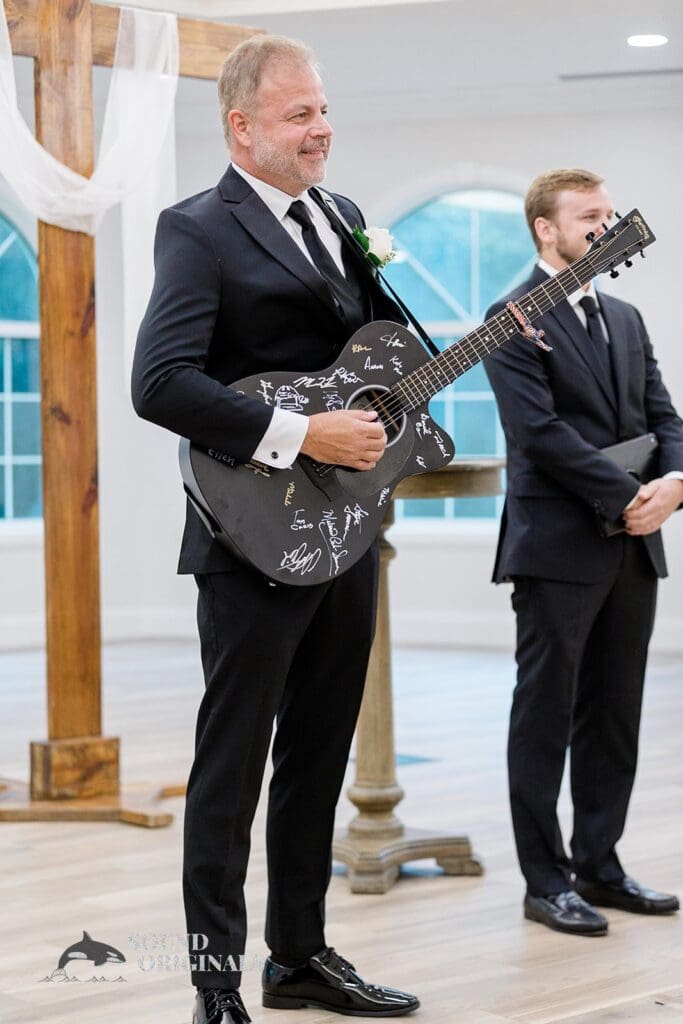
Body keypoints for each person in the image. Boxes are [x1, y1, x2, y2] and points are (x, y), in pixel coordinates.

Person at [132, 34, 419, 1024]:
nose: (320, 128)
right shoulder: (196, 227)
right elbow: (159, 383)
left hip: (343, 534)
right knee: (232, 763)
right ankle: (215, 984)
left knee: (318, 749)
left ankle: (298, 957)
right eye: (298, 114)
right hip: (248, 539)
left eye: (323, 109)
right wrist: (301, 433)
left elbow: (375, 359)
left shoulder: (341, 218)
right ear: (241, 127)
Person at [484, 168, 683, 937]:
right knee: (544, 714)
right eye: (588, 216)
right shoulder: (508, 317)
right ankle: (544, 881)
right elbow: (538, 433)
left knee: (613, 712)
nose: (604, 227)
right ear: (546, 228)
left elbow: (665, 414)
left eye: (607, 215)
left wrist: (672, 484)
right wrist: (624, 495)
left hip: (634, 547)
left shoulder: (625, 316)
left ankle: (600, 865)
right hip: (557, 547)